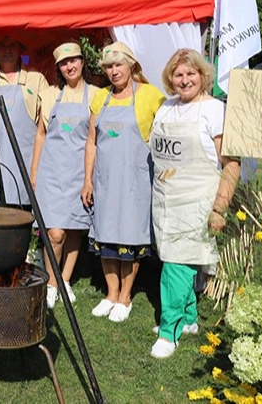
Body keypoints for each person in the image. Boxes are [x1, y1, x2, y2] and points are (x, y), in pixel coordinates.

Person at [149, 49, 240, 358]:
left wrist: (219, 209)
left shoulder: (215, 110)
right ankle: (188, 319)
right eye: (178, 74)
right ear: (170, 79)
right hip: (164, 200)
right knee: (176, 259)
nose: (184, 79)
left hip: (195, 202)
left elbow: (231, 165)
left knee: (176, 265)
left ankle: (168, 332)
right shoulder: (166, 107)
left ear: (203, 76)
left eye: (191, 74)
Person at [80, 41, 165, 322]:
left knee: (130, 237)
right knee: (105, 235)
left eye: (118, 65)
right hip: (105, 180)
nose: (114, 71)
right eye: (108, 67)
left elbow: (163, 134)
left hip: (135, 181)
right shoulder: (100, 98)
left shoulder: (151, 95)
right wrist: (87, 180)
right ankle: (111, 292)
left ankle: (126, 296)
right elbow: (91, 142)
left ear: (131, 65)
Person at [30, 42, 97, 309]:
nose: (70, 66)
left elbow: (94, 139)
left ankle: (65, 279)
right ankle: (50, 282)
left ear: (82, 63)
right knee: (55, 233)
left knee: (75, 229)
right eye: (64, 63)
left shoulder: (95, 95)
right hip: (52, 173)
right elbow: (40, 134)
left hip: (81, 172)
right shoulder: (49, 95)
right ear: (58, 68)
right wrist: (34, 173)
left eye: (74, 61)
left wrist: (90, 178)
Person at [0, 35, 48, 206]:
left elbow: (44, 126)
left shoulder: (36, 78)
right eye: (2, 45)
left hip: (27, 159)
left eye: (12, 45)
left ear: (21, 49)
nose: (7, 50)